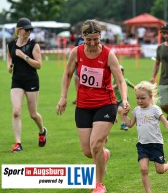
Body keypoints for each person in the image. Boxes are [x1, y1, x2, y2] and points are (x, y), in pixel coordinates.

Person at [55, 19, 129, 193]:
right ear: (83, 37)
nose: (93, 43)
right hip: (83, 105)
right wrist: (63, 97)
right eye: (89, 40)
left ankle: (99, 184)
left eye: (97, 39)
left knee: (95, 144)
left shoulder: (108, 55)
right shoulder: (77, 52)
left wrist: (124, 99)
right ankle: (104, 154)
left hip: (106, 104)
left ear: (101, 37)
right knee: (89, 152)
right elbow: (67, 74)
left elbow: (120, 80)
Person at [122, 81, 168, 193]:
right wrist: (124, 115)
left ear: (150, 97)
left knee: (160, 170)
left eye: (142, 98)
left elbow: (165, 121)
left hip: (156, 144)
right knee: (143, 169)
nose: (139, 101)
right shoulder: (136, 110)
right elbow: (130, 124)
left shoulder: (155, 109)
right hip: (142, 145)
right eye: (137, 98)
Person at [7, 17, 47, 152]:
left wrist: (24, 56)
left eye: (31, 30)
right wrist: (9, 65)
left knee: (33, 114)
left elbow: (39, 65)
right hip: (17, 81)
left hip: (31, 81)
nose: (29, 32)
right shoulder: (11, 44)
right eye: (26, 30)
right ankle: (18, 143)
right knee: (16, 112)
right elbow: (9, 56)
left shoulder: (33, 44)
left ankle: (42, 131)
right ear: (19, 30)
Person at [112, 65, 135, 130]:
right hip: (115, 100)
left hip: (124, 99)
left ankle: (123, 124)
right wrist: (117, 85)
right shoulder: (113, 81)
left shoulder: (125, 81)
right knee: (114, 113)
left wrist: (140, 89)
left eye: (121, 73)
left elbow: (134, 87)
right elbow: (111, 88)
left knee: (120, 110)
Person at [72, 32, 84, 104]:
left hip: (87, 62)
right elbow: (75, 48)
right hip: (79, 61)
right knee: (76, 78)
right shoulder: (79, 38)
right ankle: (78, 97)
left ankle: (83, 97)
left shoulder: (90, 39)